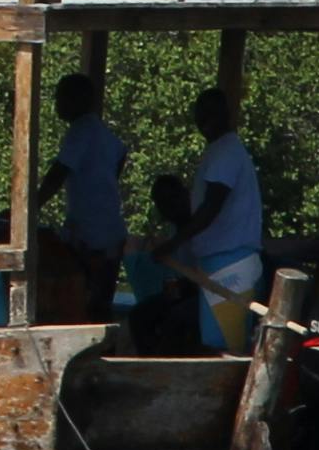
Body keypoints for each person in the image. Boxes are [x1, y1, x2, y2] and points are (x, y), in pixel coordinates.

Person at [133, 86, 265, 351]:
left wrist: (173, 244)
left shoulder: (226, 151)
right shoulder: (220, 150)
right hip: (217, 264)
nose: (203, 122)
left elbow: (211, 206)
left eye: (208, 115)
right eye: (200, 115)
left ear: (223, 115)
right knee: (211, 342)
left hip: (231, 266)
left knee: (223, 349)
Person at [31, 73, 126, 325]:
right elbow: (120, 155)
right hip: (109, 230)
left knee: (83, 301)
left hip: (93, 235)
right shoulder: (101, 131)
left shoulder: (81, 130)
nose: (57, 104)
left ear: (79, 100)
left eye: (62, 98)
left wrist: (27, 211)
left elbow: (57, 175)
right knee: (100, 301)